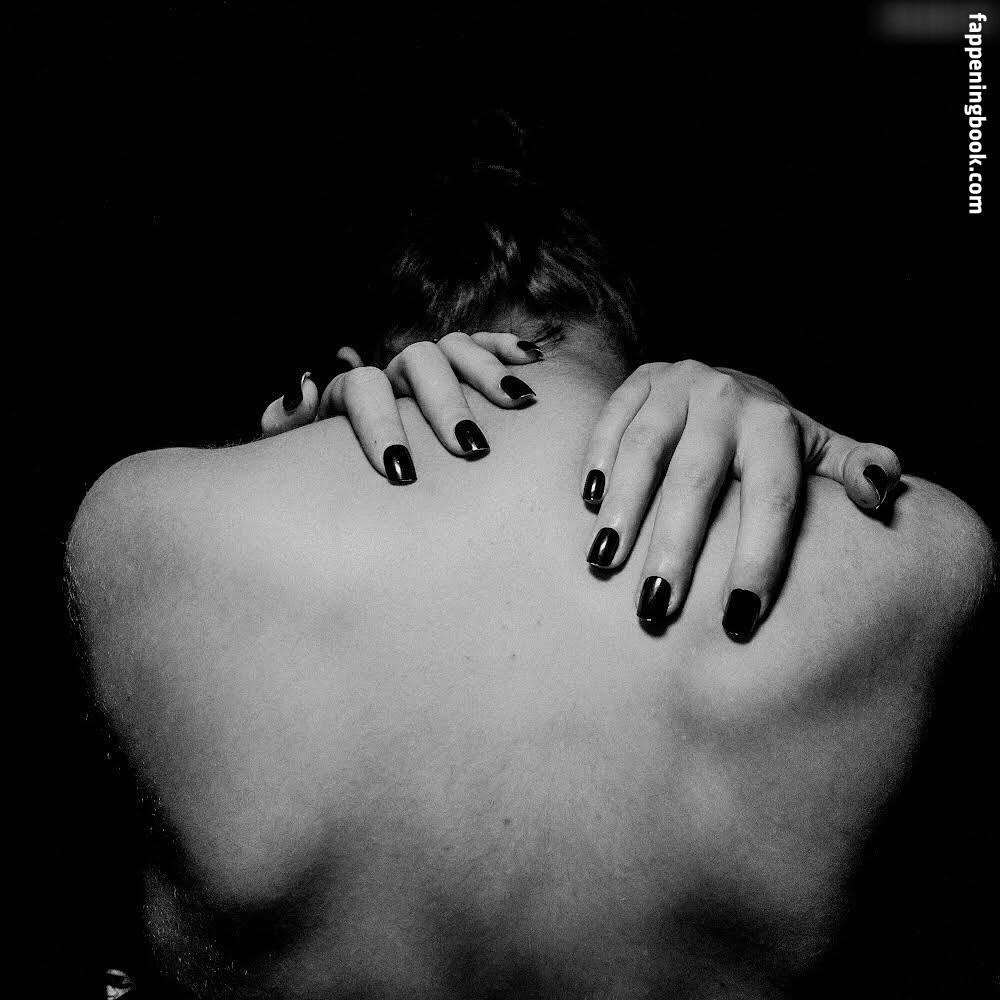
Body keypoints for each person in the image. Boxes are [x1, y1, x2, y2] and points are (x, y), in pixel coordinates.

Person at [66, 160, 994, 998]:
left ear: (353, 369)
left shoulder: (136, 529)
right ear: (659, 377)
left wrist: (271, 458)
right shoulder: (927, 556)